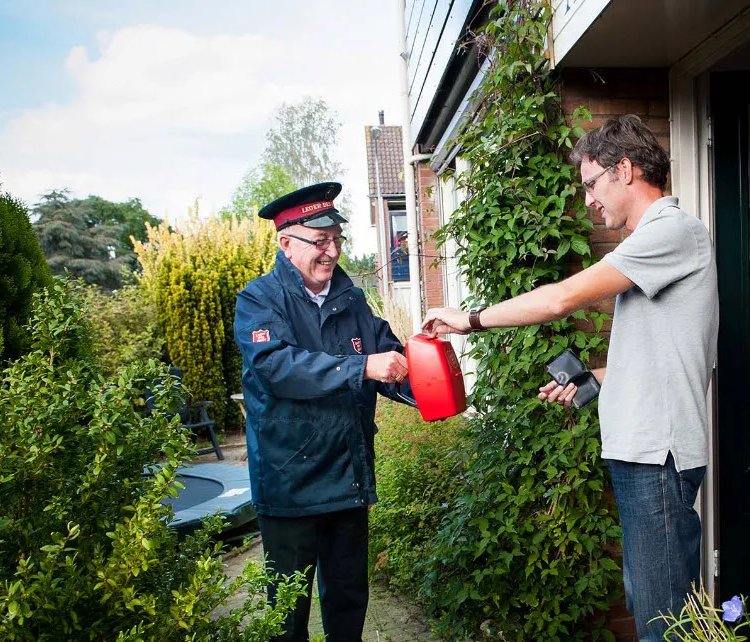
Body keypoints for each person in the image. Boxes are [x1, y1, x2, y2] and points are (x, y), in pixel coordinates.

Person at [421, 114, 718, 641]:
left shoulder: (673, 232)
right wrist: (597, 379)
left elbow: (561, 298)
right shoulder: (654, 241)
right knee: (651, 605)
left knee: (663, 625)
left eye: (591, 184)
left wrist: (469, 319)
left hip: (657, 456)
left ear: (624, 169)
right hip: (641, 453)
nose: (587, 200)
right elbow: (667, 357)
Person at [233, 181, 414, 642]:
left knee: (349, 599)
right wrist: (363, 367)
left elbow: (386, 355)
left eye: (337, 238)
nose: (332, 251)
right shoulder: (259, 300)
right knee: (288, 613)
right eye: (320, 240)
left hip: (348, 478)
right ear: (286, 242)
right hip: (290, 484)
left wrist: (429, 378)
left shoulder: (350, 298)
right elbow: (278, 368)